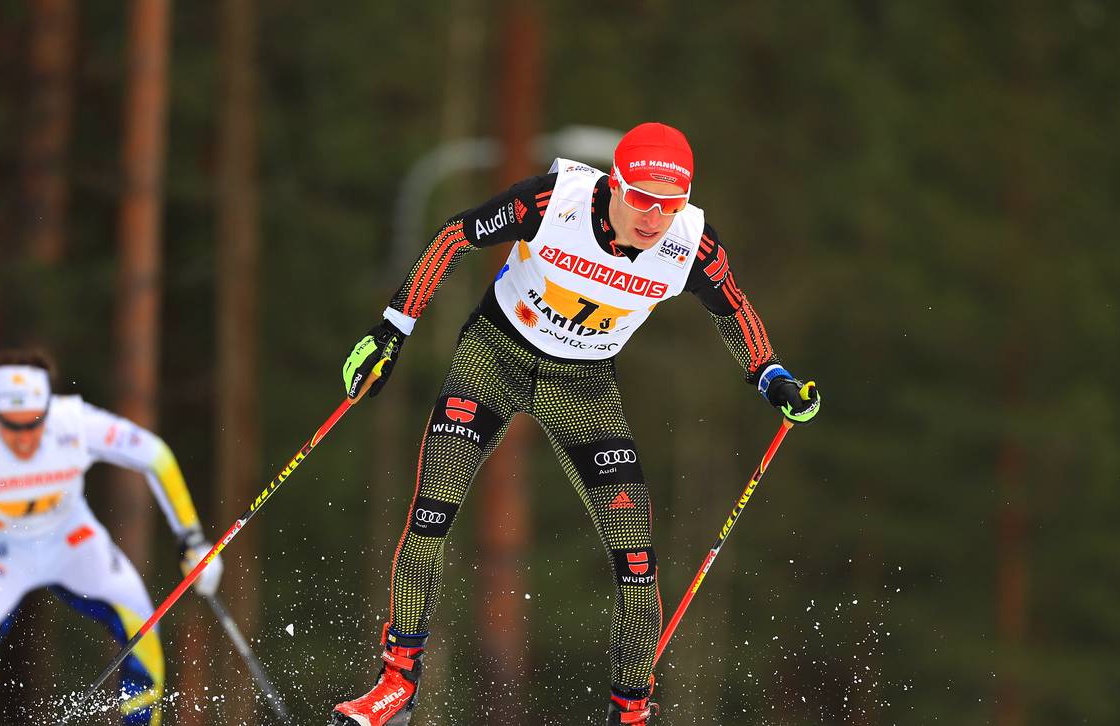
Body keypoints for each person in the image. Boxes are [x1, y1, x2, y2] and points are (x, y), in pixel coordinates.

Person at [329, 122, 820, 725]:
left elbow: (735, 309)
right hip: (495, 357)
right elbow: (453, 237)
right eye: (640, 199)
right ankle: (397, 685)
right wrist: (391, 330)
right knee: (431, 517)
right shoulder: (552, 202)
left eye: (669, 205)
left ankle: (631, 713)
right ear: (614, 184)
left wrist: (771, 376)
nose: (653, 218)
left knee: (636, 560)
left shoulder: (690, 245)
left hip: (581, 385)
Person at [0, 349, 223, 726]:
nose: (23, 439)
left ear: (48, 407)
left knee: (141, 614)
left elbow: (156, 456)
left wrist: (191, 540)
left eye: (33, 423)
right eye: (11, 425)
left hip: (72, 541)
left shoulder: (74, 423)